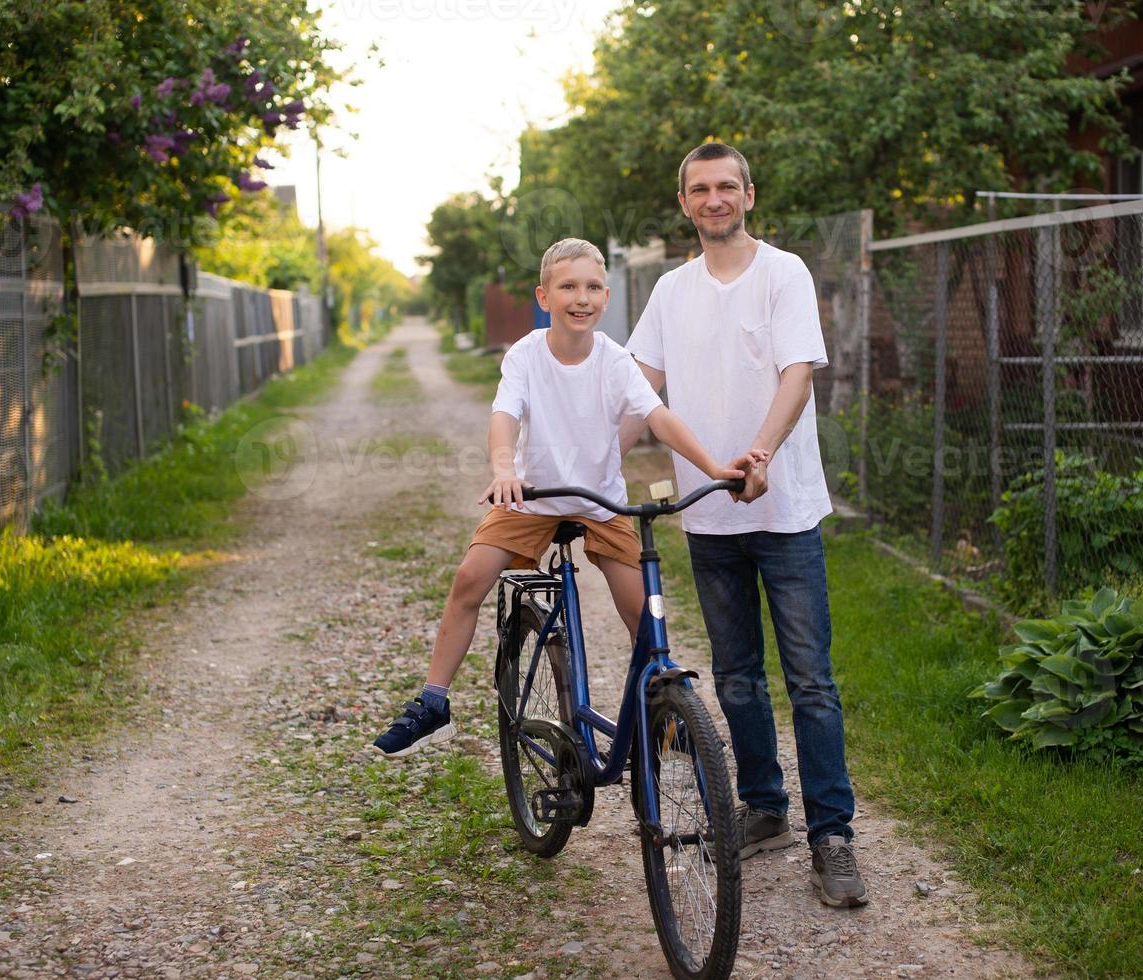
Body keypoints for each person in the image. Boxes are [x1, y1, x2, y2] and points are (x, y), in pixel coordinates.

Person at [371, 238, 759, 758]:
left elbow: (658, 417)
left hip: (600, 503)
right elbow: (504, 416)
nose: (583, 297)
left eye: (594, 287)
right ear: (544, 296)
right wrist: (505, 469)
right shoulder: (526, 355)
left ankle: (664, 710)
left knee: (645, 617)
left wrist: (714, 466)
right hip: (533, 497)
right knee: (470, 579)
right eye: (569, 286)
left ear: (605, 295)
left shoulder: (615, 360)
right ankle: (433, 700)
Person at [624, 143, 867, 908]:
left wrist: (761, 450)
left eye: (726, 186)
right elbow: (637, 385)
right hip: (707, 512)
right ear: (684, 202)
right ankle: (763, 807)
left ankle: (833, 837)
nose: (714, 198)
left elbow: (797, 373)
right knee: (734, 678)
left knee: (810, 681)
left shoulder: (782, 272)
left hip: (782, 506)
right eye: (700, 189)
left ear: (748, 195)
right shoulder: (670, 289)